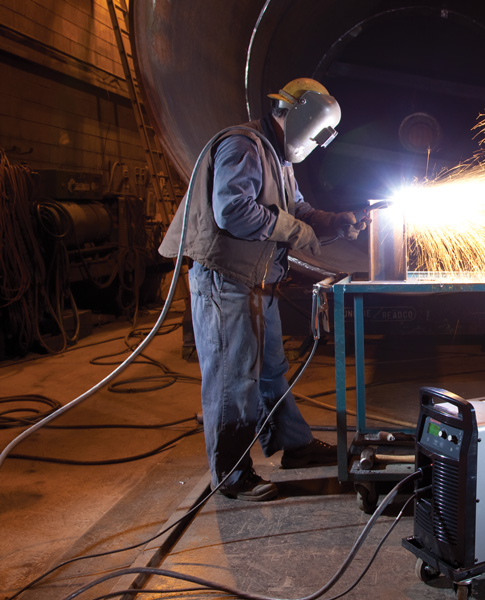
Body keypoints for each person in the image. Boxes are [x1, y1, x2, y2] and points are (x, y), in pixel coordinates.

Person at [159, 78, 364, 501]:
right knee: (234, 381)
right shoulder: (243, 146)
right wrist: (298, 231)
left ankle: (294, 445)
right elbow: (233, 210)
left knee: (271, 371)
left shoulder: (278, 158)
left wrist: (332, 220)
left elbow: (298, 207)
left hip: (258, 283)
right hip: (226, 281)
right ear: (300, 118)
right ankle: (231, 475)